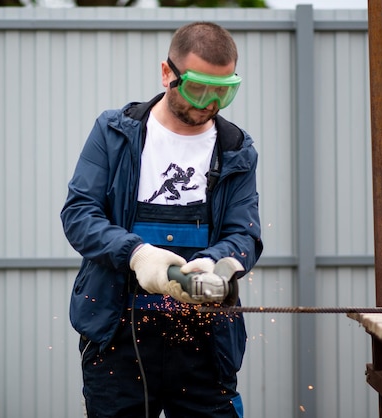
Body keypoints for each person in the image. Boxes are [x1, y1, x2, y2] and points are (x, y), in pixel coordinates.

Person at [61, 21, 262, 418]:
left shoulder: (236, 149)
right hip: (117, 337)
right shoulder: (115, 132)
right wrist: (137, 255)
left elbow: (246, 233)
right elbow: (79, 215)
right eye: (198, 88)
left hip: (206, 343)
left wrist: (218, 264)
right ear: (167, 72)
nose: (209, 103)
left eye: (223, 91)